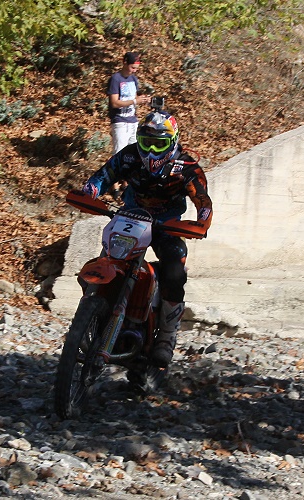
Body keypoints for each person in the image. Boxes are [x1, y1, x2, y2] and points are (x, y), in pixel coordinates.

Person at [81, 107, 213, 367]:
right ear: (138, 141)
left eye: (159, 144)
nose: (151, 151)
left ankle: (166, 337)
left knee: (175, 271)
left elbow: (202, 199)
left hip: (167, 226)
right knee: (103, 262)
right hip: (129, 218)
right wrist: (89, 193)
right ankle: (91, 315)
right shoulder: (129, 156)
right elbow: (103, 176)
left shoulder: (186, 166)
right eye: (146, 143)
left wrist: (202, 221)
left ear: (172, 142)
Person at [107, 51, 150, 154]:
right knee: (120, 153)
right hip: (120, 122)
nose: (134, 70)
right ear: (125, 63)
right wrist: (135, 101)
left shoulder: (133, 79)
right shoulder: (115, 79)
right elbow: (114, 103)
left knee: (135, 153)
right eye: (132, 67)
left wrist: (143, 100)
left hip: (133, 121)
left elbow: (133, 98)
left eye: (136, 68)